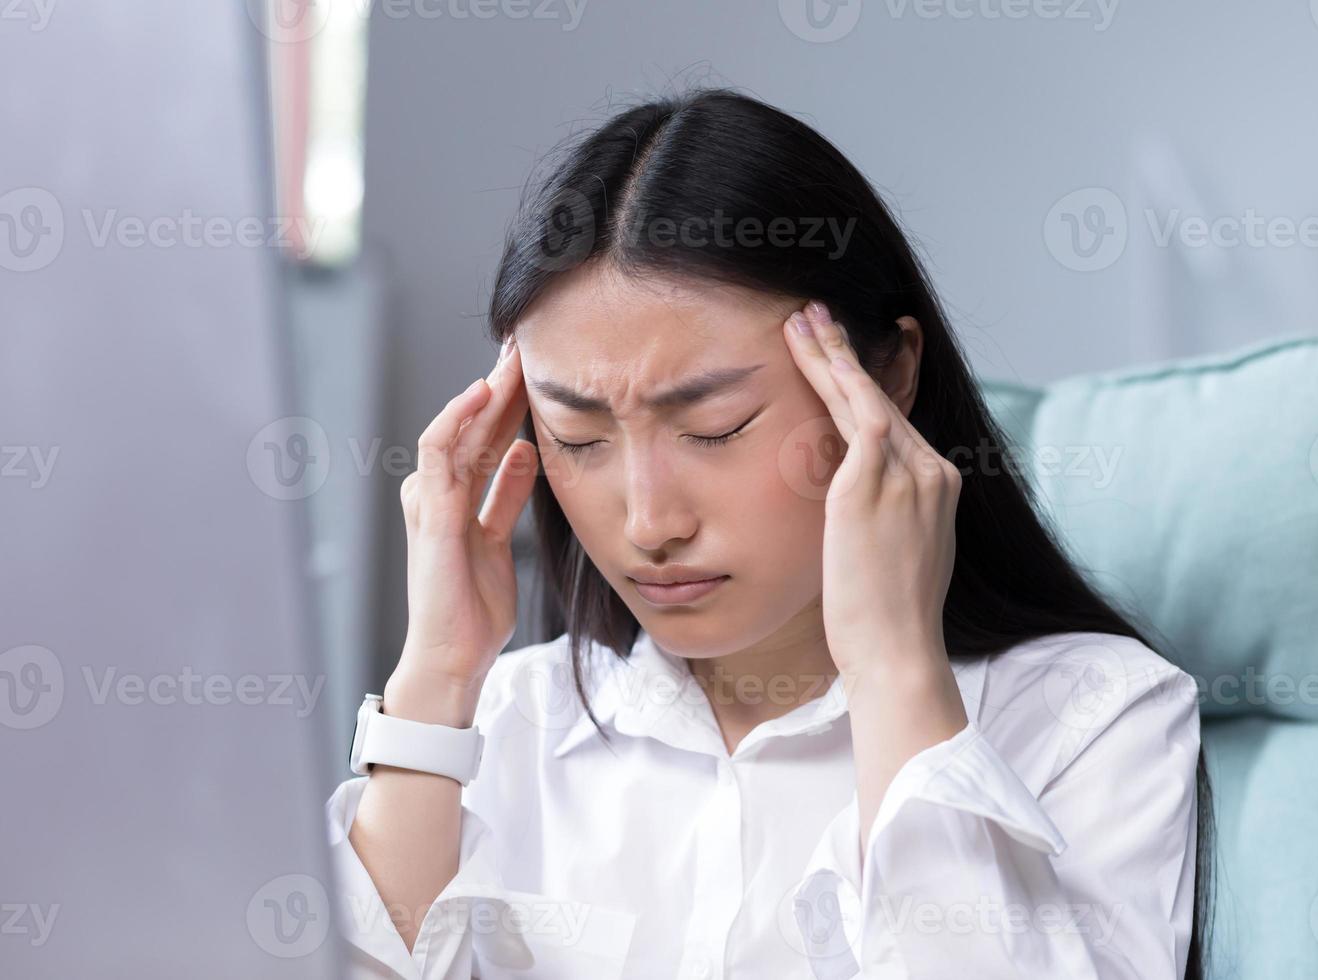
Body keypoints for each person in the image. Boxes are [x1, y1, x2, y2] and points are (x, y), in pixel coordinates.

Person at [326, 87, 1211, 979]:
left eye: (715, 428)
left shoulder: (1094, 721)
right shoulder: (506, 723)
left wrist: (897, 675)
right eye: (579, 438)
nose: (648, 522)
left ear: (889, 377)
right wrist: (435, 680)